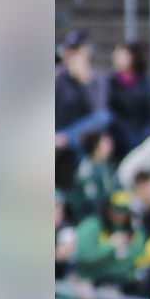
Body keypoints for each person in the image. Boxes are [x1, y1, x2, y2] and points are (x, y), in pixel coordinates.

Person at [55, 30, 112, 189]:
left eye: (77, 51)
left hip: (84, 137)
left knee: (104, 117)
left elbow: (99, 111)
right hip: (58, 132)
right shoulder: (58, 76)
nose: (74, 56)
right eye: (70, 51)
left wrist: (83, 82)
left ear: (87, 52)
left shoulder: (97, 78)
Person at [73, 191, 146, 292]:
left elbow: (134, 262)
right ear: (107, 209)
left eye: (124, 211)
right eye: (116, 210)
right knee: (85, 288)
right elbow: (84, 256)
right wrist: (110, 246)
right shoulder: (93, 225)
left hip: (123, 283)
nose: (120, 215)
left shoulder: (134, 232)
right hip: (92, 280)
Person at [107, 42, 150, 160]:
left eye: (123, 55)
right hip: (118, 134)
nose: (118, 58)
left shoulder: (144, 84)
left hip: (139, 133)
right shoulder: (111, 83)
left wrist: (146, 135)